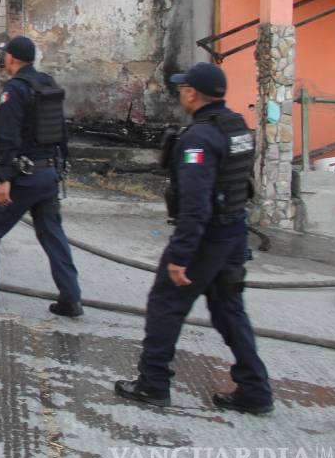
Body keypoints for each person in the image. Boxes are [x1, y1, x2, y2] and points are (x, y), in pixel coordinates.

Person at [116, 63, 272, 414]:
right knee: (229, 310)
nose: (180, 93)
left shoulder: (198, 138)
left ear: (191, 93)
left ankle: (152, 383)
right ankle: (256, 390)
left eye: (182, 88)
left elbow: (196, 204)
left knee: (165, 304)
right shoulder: (236, 127)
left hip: (207, 237)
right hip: (234, 231)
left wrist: (181, 255)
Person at [0, 35, 82, 316]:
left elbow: (10, 137)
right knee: (53, 235)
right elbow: (61, 132)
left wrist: (4, 179)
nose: (4, 61)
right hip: (49, 173)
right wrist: (59, 169)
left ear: (12, 58)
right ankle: (71, 297)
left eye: (5, 56)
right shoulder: (47, 84)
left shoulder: (15, 90)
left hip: (22, 176)